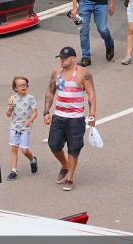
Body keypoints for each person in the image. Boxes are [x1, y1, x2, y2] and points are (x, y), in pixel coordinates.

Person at [43, 47, 96, 192]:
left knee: (74, 149)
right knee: (54, 144)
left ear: (73, 58)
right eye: (60, 57)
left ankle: (70, 177)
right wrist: (46, 112)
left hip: (76, 119)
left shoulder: (83, 74)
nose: (62, 60)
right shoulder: (56, 72)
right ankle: (65, 165)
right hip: (59, 116)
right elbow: (50, 91)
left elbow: (91, 93)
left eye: (64, 58)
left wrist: (92, 114)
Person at [5, 77, 38, 180]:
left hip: (25, 127)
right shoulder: (12, 98)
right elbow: (8, 114)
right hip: (14, 126)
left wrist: (29, 120)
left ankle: (33, 160)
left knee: (24, 150)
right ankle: (14, 170)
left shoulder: (31, 98)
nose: (23, 87)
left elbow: (35, 113)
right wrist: (9, 109)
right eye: (20, 85)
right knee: (14, 148)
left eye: (25, 84)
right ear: (15, 88)